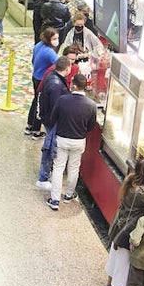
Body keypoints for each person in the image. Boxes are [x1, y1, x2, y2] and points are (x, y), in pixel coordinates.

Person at [105, 157, 144, 286]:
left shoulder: (131, 180)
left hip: (120, 226)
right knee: (124, 263)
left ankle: (110, 284)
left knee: (116, 258)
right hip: (128, 232)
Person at [48, 73, 98, 210]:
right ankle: (69, 195)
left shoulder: (63, 100)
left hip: (62, 138)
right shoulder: (91, 105)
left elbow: (53, 118)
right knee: (74, 168)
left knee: (58, 167)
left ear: (74, 85)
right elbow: (91, 126)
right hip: (79, 140)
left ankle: (54, 200)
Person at [34, 55, 72, 190]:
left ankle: (44, 175)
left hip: (47, 117)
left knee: (50, 147)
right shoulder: (57, 85)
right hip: (52, 120)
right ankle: (43, 177)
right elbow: (57, 106)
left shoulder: (52, 76)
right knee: (50, 148)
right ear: (67, 68)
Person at [25, 26, 60, 138]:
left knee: (35, 101)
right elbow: (59, 65)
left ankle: (30, 125)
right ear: (49, 39)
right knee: (40, 104)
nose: (57, 40)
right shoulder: (49, 52)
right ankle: (36, 130)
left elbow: (33, 60)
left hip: (36, 76)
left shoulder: (38, 45)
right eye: (55, 38)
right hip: (43, 79)